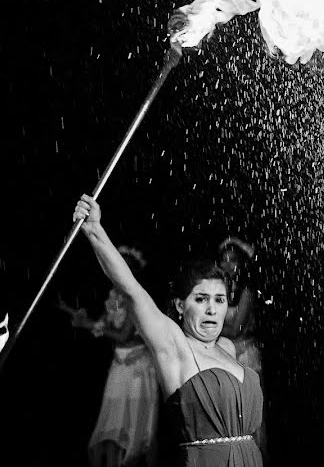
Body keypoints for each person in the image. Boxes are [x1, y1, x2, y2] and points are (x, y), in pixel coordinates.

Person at [73, 194, 264, 467]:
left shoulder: (228, 347)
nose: (212, 309)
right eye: (201, 299)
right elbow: (131, 290)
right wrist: (95, 230)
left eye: (219, 300)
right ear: (180, 305)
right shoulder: (174, 345)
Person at [62, 245, 161, 467]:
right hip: (119, 363)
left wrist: (90, 325)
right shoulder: (114, 295)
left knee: (141, 428)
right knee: (112, 424)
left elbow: (124, 334)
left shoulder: (137, 297)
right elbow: (103, 324)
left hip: (139, 366)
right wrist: (80, 318)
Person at [217, 237, 268, 460]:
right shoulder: (219, 290)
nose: (228, 265)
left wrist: (209, 331)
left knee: (248, 412)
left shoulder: (247, 290)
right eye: (224, 260)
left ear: (242, 264)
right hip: (223, 355)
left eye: (233, 260)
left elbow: (237, 328)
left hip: (244, 356)